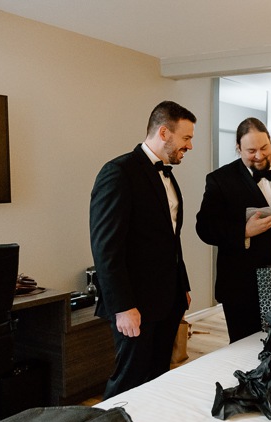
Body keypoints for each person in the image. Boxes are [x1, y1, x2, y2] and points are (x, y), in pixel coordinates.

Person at [90, 100, 195, 399]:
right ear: (164, 132)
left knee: (158, 376)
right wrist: (122, 306)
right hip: (134, 303)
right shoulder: (118, 172)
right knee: (128, 379)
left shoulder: (168, 174)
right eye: (186, 138)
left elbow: (170, 238)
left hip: (167, 298)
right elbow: (106, 247)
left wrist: (181, 285)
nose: (190, 146)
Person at [196, 117, 271, 343]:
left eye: (264, 148)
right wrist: (243, 230)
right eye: (251, 150)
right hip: (245, 284)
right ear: (238, 148)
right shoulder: (220, 180)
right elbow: (205, 228)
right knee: (248, 350)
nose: (260, 155)